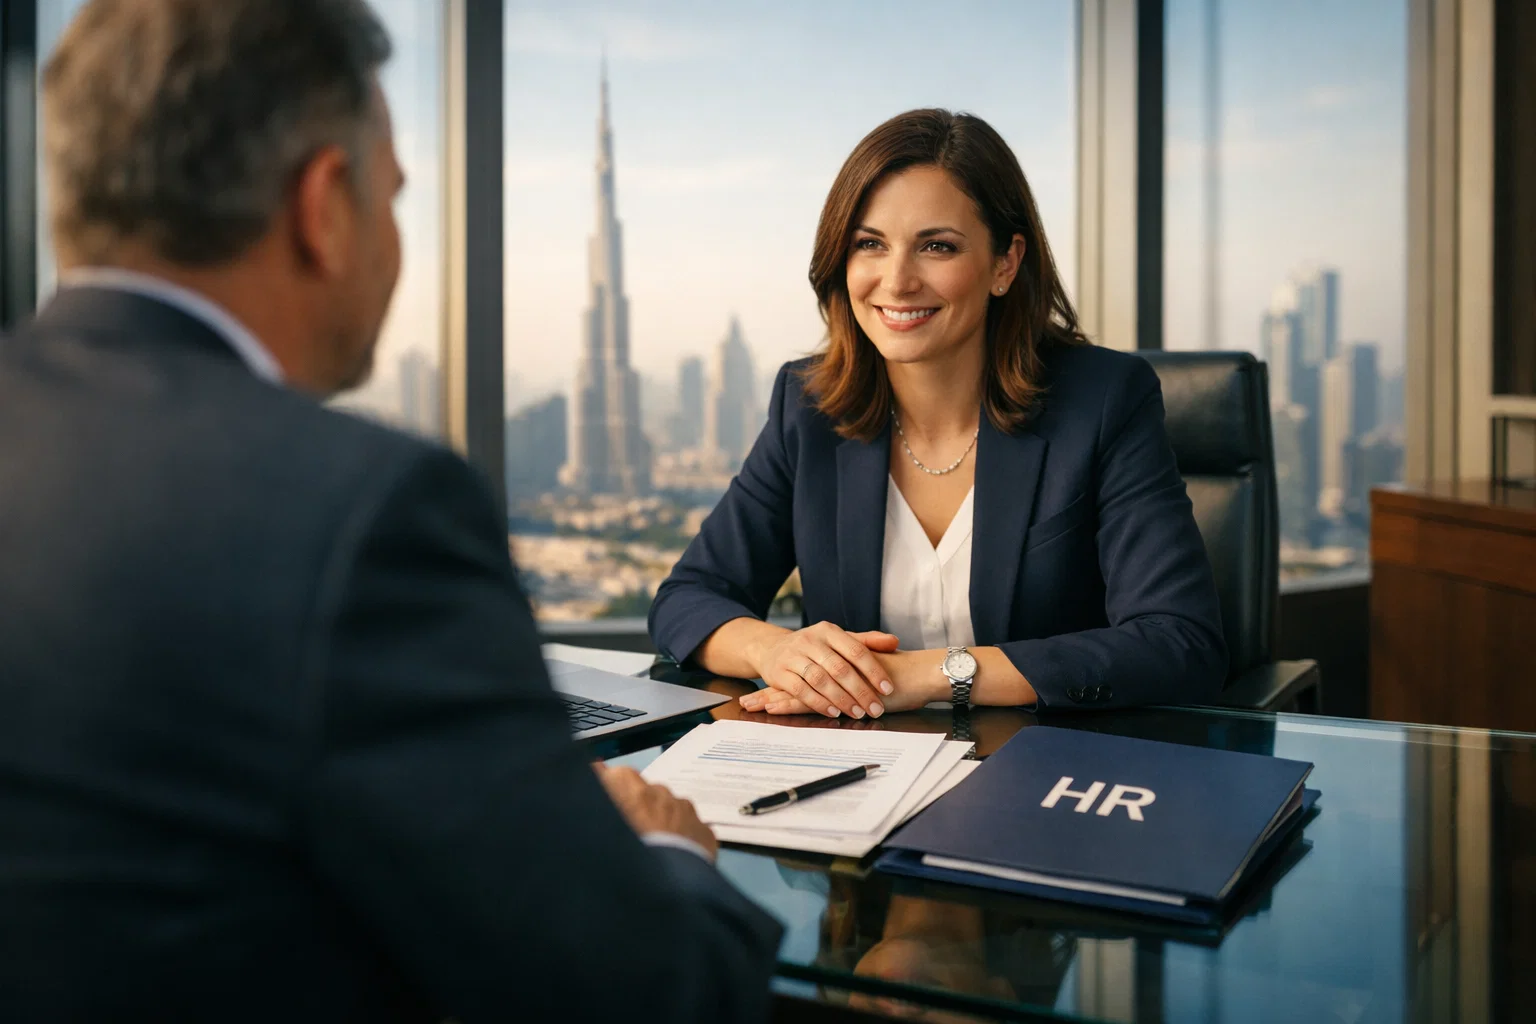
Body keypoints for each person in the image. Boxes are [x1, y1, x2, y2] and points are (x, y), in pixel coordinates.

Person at [0, 1, 780, 1021]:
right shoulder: (359, 510)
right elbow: (651, 995)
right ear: (323, 205)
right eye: (397, 197)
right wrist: (668, 849)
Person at [649, 109, 1227, 719]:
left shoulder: (1104, 400)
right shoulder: (808, 407)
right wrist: (777, 652)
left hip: (1049, 771)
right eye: (869, 244)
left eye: (937, 247)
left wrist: (930, 675)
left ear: (1004, 264)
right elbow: (688, 597)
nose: (896, 281)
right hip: (861, 776)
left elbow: (1178, 642)